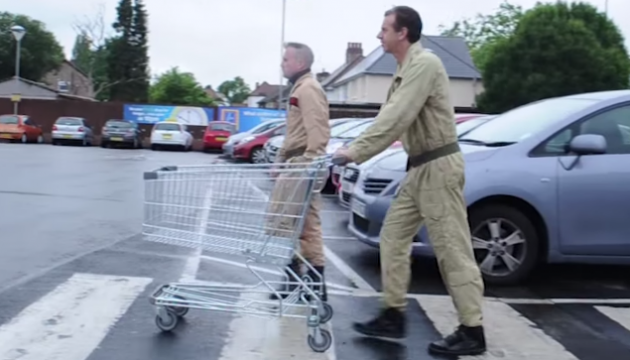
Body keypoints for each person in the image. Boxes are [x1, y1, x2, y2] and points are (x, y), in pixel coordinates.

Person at [333, 6, 486, 356]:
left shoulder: (425, 64)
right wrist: (354, 148)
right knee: (392, 236)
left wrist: (353, 151)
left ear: (403, 33)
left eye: (384, 28)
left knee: (452, 249)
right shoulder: (405, 68)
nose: (378, 35)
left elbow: (396, 117)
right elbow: (392, 116)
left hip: (438, 168)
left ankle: (472, 330)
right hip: (419, 170)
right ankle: (393, 312)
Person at [268, 42, 331, 303]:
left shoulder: (308, 89)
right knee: (299, 226)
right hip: (297, 164)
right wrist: (280, 160)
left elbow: (318, 132)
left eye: (286, 59)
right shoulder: (301, 88)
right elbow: (294, 132)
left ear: (301, 63)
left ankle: (309, 285)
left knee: (298, 225)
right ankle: (303, 283)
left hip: (303, 166)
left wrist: (308, 166)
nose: (282, 63)